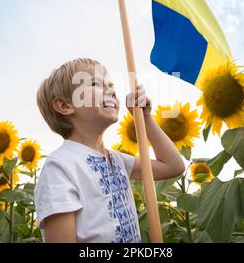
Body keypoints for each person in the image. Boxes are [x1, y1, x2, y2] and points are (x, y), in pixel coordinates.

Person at [34, 58, 185, 243]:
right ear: (66, 106)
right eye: (96, 83)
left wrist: (145, 118)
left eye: (111, 84)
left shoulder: (117, 159)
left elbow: (173, 166)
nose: (112, 90)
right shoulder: (60, 167)